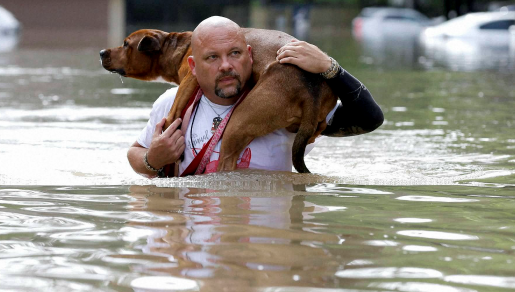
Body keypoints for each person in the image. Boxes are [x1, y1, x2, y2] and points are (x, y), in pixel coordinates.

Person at [128, 16, 383, 178]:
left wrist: (331, 68)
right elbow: (134, 154)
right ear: (193, 66)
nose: (226, 65)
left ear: (250, 55)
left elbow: (370, 118)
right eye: (213, 57)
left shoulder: (280, 107)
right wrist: (153, 160)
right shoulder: (171, 103)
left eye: (235, 53)